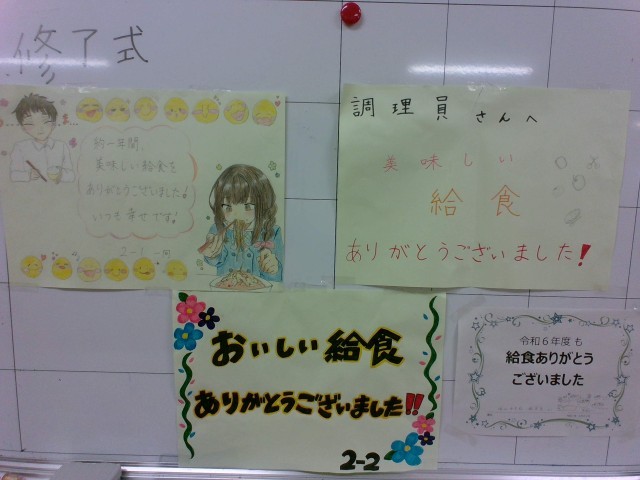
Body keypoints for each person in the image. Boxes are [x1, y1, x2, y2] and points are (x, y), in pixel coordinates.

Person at [200, 164, 283, 282]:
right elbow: (216, 262)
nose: (237, 215)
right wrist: (212, 254)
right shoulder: (218, 229)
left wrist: (273, 269)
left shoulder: (272, 231)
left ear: (263, 205)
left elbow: (278, 278)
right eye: (228, 207)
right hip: (226, 288)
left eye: (247, 206)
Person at [10, 93, 74, 183]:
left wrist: (61, 174)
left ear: (53, 124)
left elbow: (71, 175)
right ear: (23, 128)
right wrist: (28, 175)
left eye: (45, 121)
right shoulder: (20, 147)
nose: (39, 128)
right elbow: (13, 175)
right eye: (31, 123)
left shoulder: (61, 146)